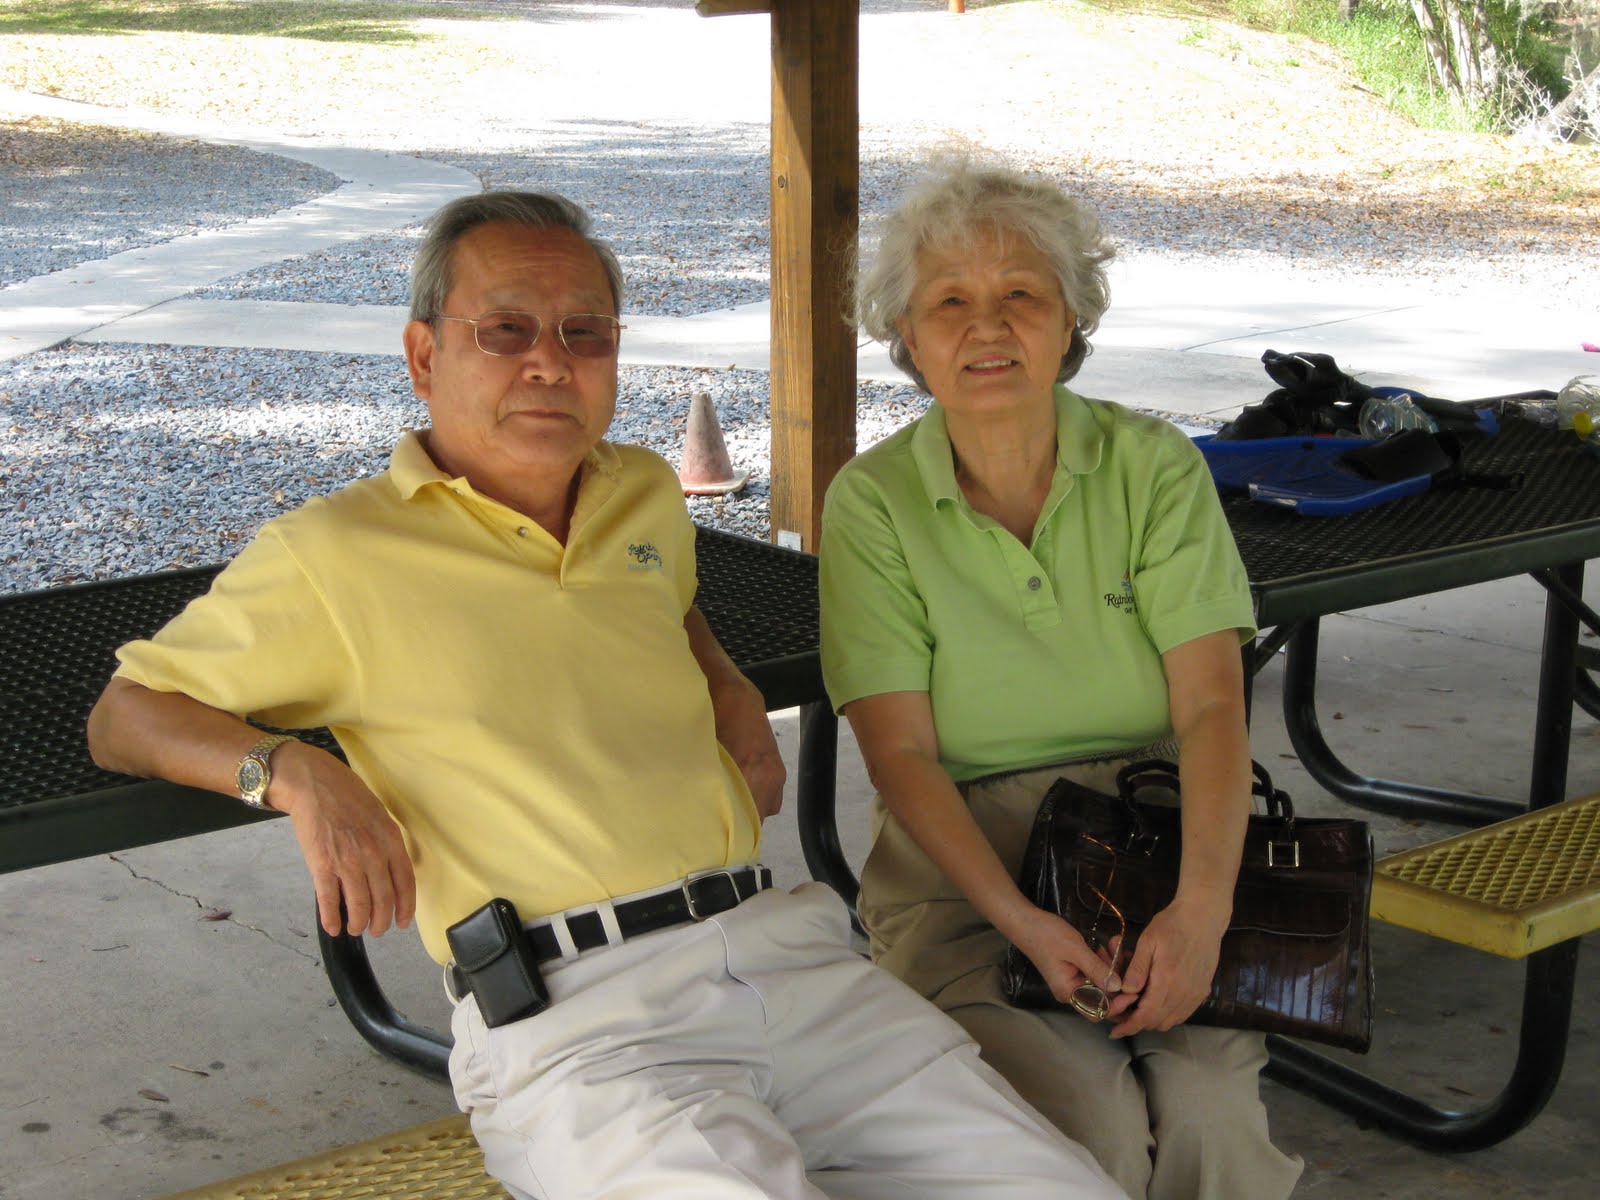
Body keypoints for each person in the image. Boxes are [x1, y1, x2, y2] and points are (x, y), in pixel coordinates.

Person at [86, 189, 1125, 1200]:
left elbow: (663, 601)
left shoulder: (640, 491)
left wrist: (721, 677)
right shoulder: (334, 553)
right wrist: (292, 773)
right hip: (580, 1019)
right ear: (423, 356)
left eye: (585, 332)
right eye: (505, 330)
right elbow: (125, 714)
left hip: (786, 961)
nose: (550, 361)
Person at [819, 159, 1304, 1200]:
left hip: (1156, 836)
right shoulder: (873, 500)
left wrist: (1202, 912)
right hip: (968, 876)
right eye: (949, 302)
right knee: (1085, 1130)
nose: (987, 327)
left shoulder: (1152, 465)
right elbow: (899, 754)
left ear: (1072, 317)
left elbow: (1212, 706)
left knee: (1210, 1120)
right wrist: (1022, 920)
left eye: (1021, 294)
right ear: (905, 334)